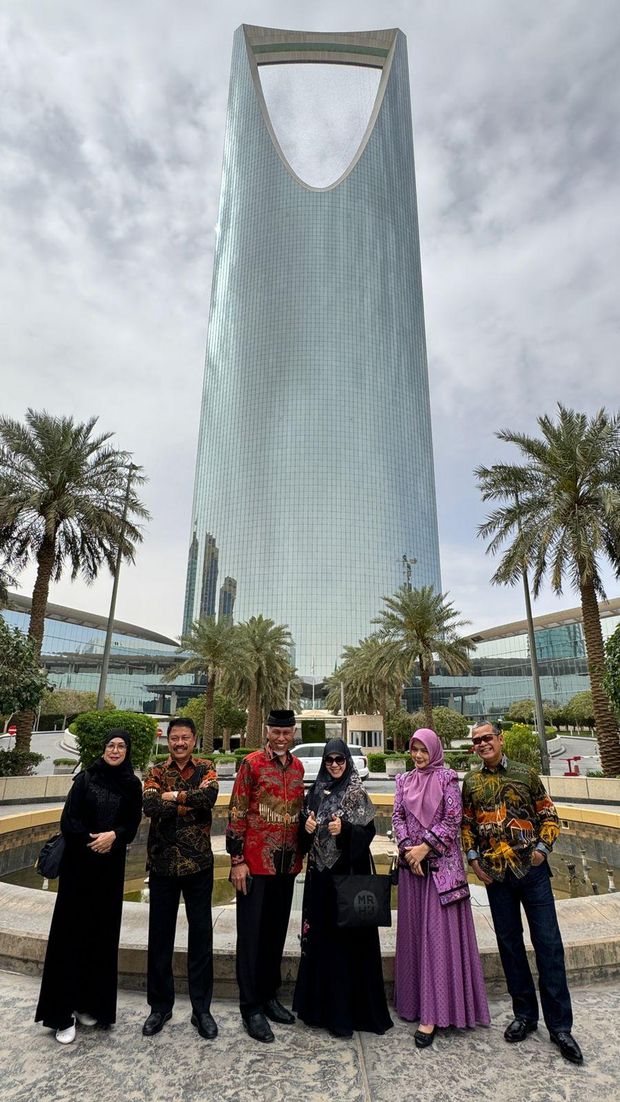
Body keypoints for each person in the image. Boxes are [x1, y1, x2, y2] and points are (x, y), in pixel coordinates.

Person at [462, 720, 583, 1064]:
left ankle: (560, 1026)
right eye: (477, 741)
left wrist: (542, 850)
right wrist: (473, 860)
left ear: (500, 740)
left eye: (487, 738)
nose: (483, 744)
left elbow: (549, 816)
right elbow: (467, 825)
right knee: (510, 946)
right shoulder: (470, 783)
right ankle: (525, 1015)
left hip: (532, 873)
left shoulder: (526, 774)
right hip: (496, 877)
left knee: (548, 946)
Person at [35, 729, 143, 1043]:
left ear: (128, 751)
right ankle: (62, 1014)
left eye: (122, 745)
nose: (115, 750)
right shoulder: (85, 779)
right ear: (103, 748)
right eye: (110, 744)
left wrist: (115, 836)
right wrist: (93, 841)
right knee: (70, 938)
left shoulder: (131, 784)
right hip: (79, 870)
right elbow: (69, 820)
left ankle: (88, 1003)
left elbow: (132, 823)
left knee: (100, 937)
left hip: (109, 873)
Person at [392, 728, 489, 1047]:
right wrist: (409, 849)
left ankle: (433, 1016)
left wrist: (424, 848)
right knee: (415, 936)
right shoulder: (403, 781)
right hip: (412, 871)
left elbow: (452, 819)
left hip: (440, 873)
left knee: (437, 939)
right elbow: (397, 818)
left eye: (423, 750)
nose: (418, 755)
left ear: (433, 750)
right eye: (414, 750)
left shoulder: (448, 777)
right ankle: (416, 1004)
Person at [293, 738, 393, 1039]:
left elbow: (369, 832)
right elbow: (304, 834)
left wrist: (345, 831)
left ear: (347, 761)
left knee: (348, 945)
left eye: (339, 759)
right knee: (322, 943)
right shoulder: (316, 792)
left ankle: (347, 1013)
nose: (334, 765)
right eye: (329, 760)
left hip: (347, 879)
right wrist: (306, 829)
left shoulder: (357, 793)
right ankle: (320, 1010)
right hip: (321, 882)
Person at [226, 708, 304, 1043]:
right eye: (277, 732)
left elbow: (299, 814)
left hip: (286, 867)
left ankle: (270, 997)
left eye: (287, 733)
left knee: (274, 934)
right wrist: (237, 859)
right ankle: (251, 1007)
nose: (282, 738)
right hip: (255, 865)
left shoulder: (298, 767)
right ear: (267, 732)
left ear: (293, 733)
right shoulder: (251, 763)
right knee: (252, 937)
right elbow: (237, 811)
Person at [142, 716, 219, 1040]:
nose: (179, 743)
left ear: (194, 739)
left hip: (198, 865)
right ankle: (160, 1007)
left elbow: (210, 798)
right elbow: (148, 805)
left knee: (201, 937)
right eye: (175, 738)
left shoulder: (207, 767)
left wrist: (171, 797)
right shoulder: (155, 770)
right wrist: (187, 800)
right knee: (160, 938)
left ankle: (201, 1010)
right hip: (162, 866)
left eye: (185, 737)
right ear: (168, 740)